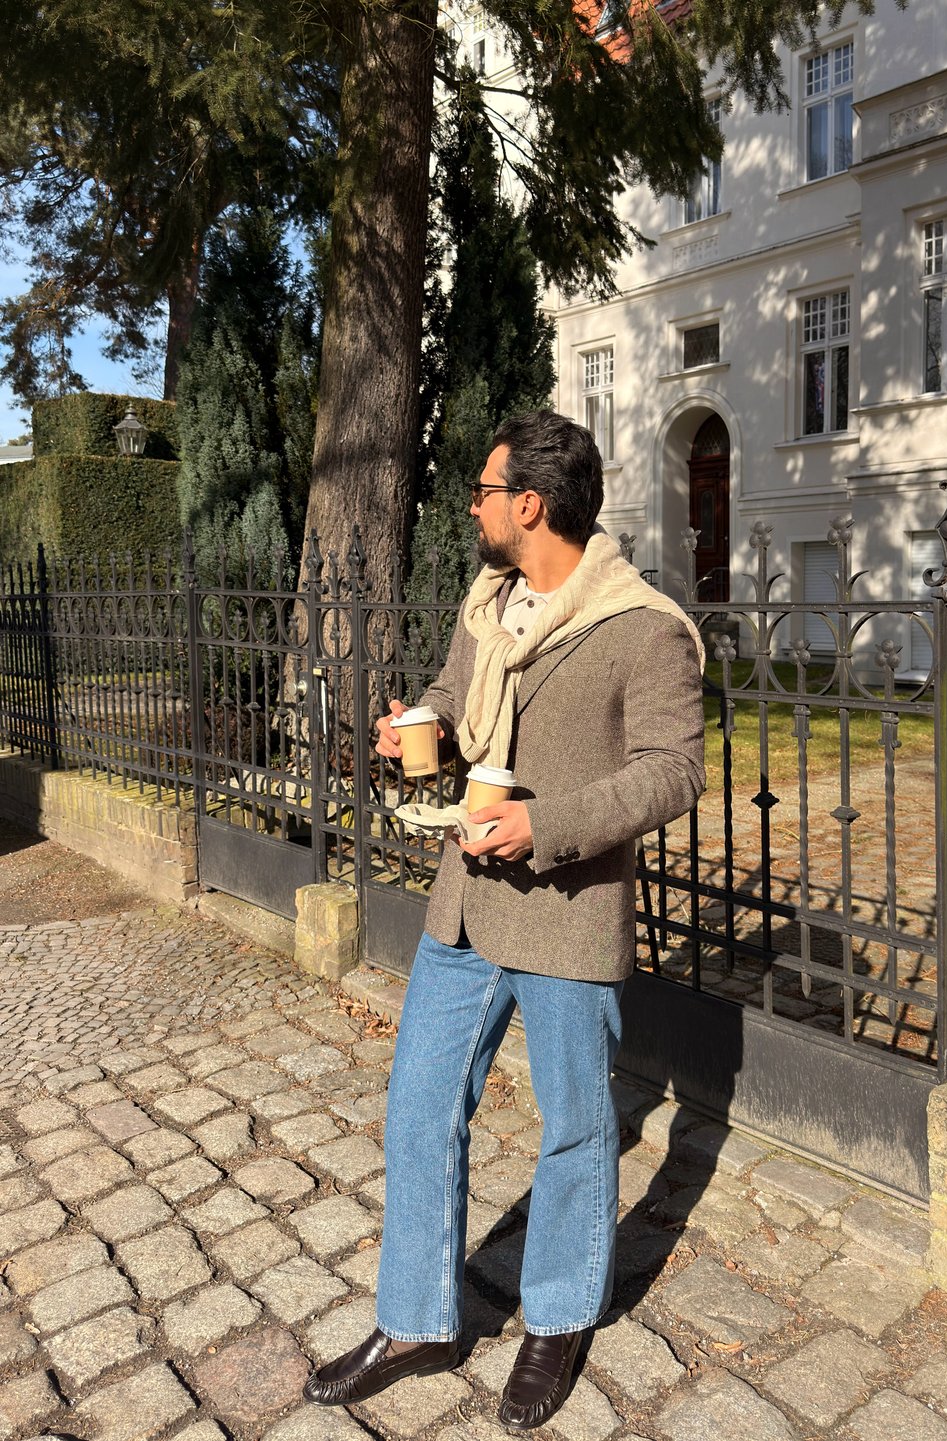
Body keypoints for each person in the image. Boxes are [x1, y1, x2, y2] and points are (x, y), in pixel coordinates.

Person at [303, 410, 705, 1432]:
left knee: (575, 1128)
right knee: (418, 1107)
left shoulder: (643, 625)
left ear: (528, 504)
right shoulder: (488, 600)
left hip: (567, 911)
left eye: (484, 491)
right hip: (465, 904)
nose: (473, 507)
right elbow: (454, 689)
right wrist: (423, 726)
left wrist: (545, 825)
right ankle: (416, 1323)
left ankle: (558, 1317)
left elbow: (673, 772)